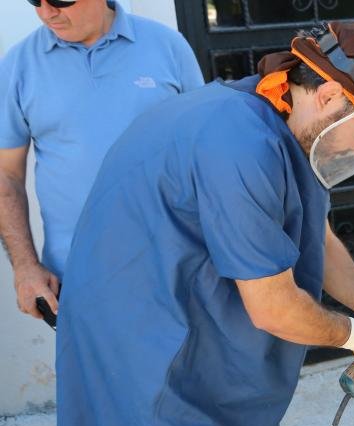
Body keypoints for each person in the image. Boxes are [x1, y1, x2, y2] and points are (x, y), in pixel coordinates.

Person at [56, 21, 354, 426]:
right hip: (143, 349)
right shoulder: (238, 142)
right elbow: (274, 309)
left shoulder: (286, 122)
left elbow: (317, 240)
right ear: (330, 96)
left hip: (189, 324)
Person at [0, 0, 204, 321]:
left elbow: (204, 155)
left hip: (176, 272)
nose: (45, 12)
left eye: (59, 0)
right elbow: (5, 175)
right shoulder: (17, 65)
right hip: (77, 283)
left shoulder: (168, 46)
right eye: (34, 0)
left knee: (187, 372)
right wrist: (25, 267)